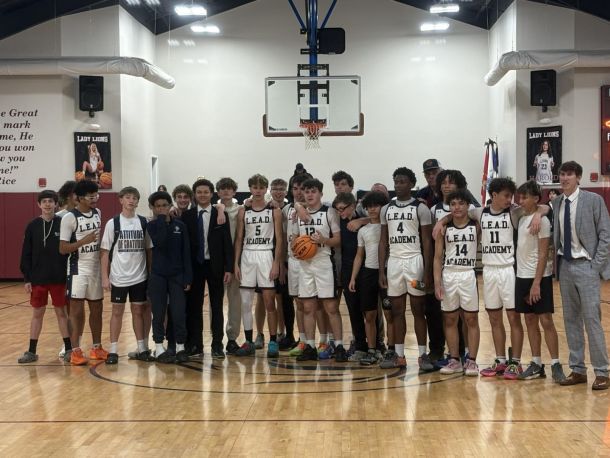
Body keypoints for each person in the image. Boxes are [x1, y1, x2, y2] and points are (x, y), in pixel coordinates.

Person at [553, 161, 610, 390]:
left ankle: (602, 371)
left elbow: (606, 235)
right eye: (562, 174)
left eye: (569, 174)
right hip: (565, 266)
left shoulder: (593, 200)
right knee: (570, 320)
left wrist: (595, 266)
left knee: (592, 320)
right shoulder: (557, 202)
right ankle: (577, 369)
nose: (564, 178)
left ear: (578, 177)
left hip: (587, 266)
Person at [378, 167, 434, 370]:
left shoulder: (421, 208)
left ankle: (422, 355)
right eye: (396, 181)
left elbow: (427, 242)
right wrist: (381, 270)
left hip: (414, 263)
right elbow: (383, 241)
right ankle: (399, 355)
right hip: (394, 264)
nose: (398, 185)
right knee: (397, 311)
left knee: (418, 310)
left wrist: (427, 272)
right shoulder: (386, 209)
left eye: (402, 181)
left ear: (411, 184)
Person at [514, 180, 566, 382]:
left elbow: (544, 254)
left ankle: (556, 364)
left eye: (525, 197)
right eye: (520, 197)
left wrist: (536, 283)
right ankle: (536, 363)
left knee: (546, 321)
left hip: (540, 278)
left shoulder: (542, 221)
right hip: (522, 277)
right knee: (529, 320)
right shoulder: (521, 218)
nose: (521, 201)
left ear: (536, 198)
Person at [291, 178, 347, 362]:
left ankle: (339, 345)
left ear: (321, 193)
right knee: (308, 307)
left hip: (324, 263)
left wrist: (323, 240)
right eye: (306, 191)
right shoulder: (297, 214)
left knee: (331, 307)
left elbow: (338, 239)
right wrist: (296, 246)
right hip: (305, 265)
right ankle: (310, 346)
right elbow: (294, 239)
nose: (309, 194)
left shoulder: (329, 212)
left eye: (313, 191)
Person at [100, 186, 153, 364]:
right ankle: (113, 350)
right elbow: (104, 252)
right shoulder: (113, 223)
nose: (131, 200)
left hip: (140, 276)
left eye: (134, 198)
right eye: (128, 197)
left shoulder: (144, 222)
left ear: (138, 202)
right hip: (119, 276)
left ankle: (142, 348)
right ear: (121, 200)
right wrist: (105, 277)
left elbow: (149, 250)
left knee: (138, 311)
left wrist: (150, 274)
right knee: (117, 312)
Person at [182, 179, 233, 359]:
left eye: (206, 192)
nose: (202, 195)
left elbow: (227, 243)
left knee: (216, 306)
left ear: (212, 194)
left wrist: (228, 268)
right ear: (194, 195)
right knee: (194, 306)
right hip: (195, 266)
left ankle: (217, 344)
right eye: (199, 192)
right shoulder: (187, 216)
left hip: (215, 265)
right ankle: (196, 344)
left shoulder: (220, 214)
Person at [18, 190, 71, 363]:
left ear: (56, 204)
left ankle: (69, 349)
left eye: (50, 201)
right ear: (39, 204)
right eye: (44, 201)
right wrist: (27, 278)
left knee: (61, 313)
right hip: (38, 278)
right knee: (37, 314)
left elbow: (70, 251)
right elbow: (26, 253)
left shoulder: (63, 223)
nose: (47, 204)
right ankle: (31, 351)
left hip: (59, 277)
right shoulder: (32, 226)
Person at [234, 174, 283, 357]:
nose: (258, 190)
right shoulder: (243, 210)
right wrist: (236, 263)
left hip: (266, 254)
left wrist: (276, 263)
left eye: (261, 187)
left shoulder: (274, 210)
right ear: (250, 189)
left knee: (269, 302)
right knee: (246, 303)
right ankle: (248, 341)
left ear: (265, 189)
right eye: (255, 187)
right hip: (247, 255)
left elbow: (280, 239)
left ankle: (273, 341)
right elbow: (239, 238)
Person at [59, 180, 106, 365]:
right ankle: (75, 351)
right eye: (90, 196)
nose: (94, 199)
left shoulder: (98, 213)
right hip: (77, 269)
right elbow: (63, 248)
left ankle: (96, 347)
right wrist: (83, 241)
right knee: (76, 312)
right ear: (79, 198)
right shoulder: (69, 218)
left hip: (95, 268)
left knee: (97, 309)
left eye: (96, 195)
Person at [434, 190, 480, 376]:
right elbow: (437, 258)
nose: (457, 207)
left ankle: (472, 361)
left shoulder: (477, 225)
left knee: (471, 319)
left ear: (468, 205)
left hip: (468, 274)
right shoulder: (444, 229)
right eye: (453, 204)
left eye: (461, 203)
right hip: (449, 274)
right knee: (450, 319)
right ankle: (454, 359)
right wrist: (437, 283)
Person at [146, 191, 192, 363]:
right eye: (158, 206)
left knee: (179, 312)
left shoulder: (180, 225)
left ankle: (180, 346)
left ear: (170, 205)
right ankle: (159, 347)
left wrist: (188, 277)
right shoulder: (152, 226)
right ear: (153, 208)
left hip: (177, 275)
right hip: (158, 275)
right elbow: (160, 241)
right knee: (158, 313)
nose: (162, 209)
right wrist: (161, 220)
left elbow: (186, 252)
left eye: (164, 205)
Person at [348, 191, 390, 365]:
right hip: (368, 273)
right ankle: (372, 350)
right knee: (370, 315)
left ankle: (391, 349)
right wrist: (353, 277)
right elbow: (359, 255)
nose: (372, 210)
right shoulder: (363, 231)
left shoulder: (389, 227)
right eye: (369, 207)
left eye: (376, 206)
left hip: (387, 271)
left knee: (389, 314)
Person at [334, 192, 368, 360]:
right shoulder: (337, 221)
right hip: (347, 269)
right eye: (337, 209)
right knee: (353, 310)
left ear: (353, 206)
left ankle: (376, 345)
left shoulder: (363, 218)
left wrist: (361, 221)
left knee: (369, 311)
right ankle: (360, 345)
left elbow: (378, 219)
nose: (340, 212)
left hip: (366, 268)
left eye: (342, 209)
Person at [284, 173, 313, 357]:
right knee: (299, 304)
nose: (299, 192)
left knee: (316, 305)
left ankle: (324, 341)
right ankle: (302, 341)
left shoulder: (317, 208)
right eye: (295, 188)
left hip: (312, 261)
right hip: (294, 260)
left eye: (303, 188)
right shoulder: (287, 209)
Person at [215, 177, 243, 355]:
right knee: (216, 303)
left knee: (235, 302)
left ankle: (232, 338)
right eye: (222, 189)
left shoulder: (241, 209)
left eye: (229, 188)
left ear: (234, 191)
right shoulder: (214, 208)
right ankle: (216, 338)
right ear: (218, 192)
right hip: (218, 261)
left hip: (236, 260)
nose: (226, 191)